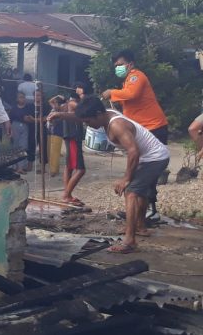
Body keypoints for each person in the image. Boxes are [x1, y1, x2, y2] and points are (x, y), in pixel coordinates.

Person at [73, 97, 170, 253]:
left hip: (155, 158)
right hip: (150, 157)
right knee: (140, 190)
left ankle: (130, 240)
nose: (87, 125)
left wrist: (126, 178)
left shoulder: (117, 125)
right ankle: (140, 227)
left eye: (88, 121)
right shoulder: (106, 114)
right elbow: (81, 115)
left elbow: (133, 151)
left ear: (98, 114)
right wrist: (60, 115)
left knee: (131, 191)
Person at [101, 49, 169, 218]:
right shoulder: (127, 82)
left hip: (153, 127)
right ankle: (140, 210)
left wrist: (111, 92)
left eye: (120, 64)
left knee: (147, 171)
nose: (118, 67)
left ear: (130, 64)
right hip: (144, 128)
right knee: (140, 169)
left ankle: (148, 212)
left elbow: (132, 95)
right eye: (116, 65)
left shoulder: (136, 76)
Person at [49, 92, 86, 205]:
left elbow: (51, 102)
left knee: (69, 167)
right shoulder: (72, 104)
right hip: (73, 137)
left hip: (69, 136)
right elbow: (82, 109)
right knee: (80, 169)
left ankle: (67, 194)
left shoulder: (65, 105)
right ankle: (66, 195)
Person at [8, 92, 34, 173]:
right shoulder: (14, 108)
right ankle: (15, 166)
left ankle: (21, 167)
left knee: (23, 147)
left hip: (25, 127)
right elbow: (10, 119)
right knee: (15, 146)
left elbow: (32, 118)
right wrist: (10, 130)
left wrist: (28, 119)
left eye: (23, 97)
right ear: (17, 99)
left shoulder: (28, 108)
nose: (22, 99)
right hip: (15, 126)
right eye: (20, 97)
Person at [47, 95, 66, 177]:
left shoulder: (62, 112)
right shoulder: (53, 109)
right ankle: (54, 169)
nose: (54, 104)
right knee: (50, 152)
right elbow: (50, 101)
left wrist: (64, 99)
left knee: (55, 152)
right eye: (54, 103)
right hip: (50, 132)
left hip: (57, 133)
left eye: (56, 103)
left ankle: (53, 171)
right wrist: (57, 96)